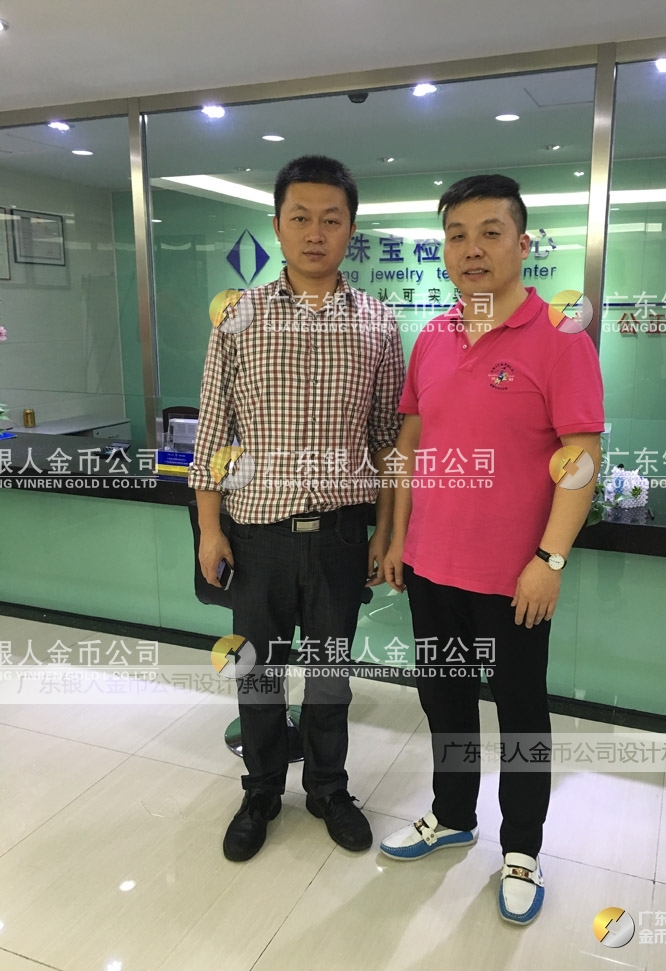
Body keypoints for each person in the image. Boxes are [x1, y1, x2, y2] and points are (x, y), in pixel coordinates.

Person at [381, 174, 604, 924]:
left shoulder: (559, 339)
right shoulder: (433, 337)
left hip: (515, 579)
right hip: (431, 567)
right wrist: (398, 538)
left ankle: (523, 849)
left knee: (521, 714)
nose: (472, 249)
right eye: (457, 235)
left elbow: (581, 456)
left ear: (522, 243)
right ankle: (452, 814)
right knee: (443, 698)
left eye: (490, 232)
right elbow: (412, 442)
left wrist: (551, 559)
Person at [189, 155, 405, 861]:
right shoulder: (237, 318)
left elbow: (386, 441)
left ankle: (328, 789)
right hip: (258, 534)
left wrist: (385, 532)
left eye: (331, 220)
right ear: (278, 225)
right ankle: (260, 792)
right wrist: (210, 529)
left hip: (341, 533)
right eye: (301, 218)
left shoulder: (378, 322)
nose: (316, 233)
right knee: (258, 673)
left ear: (350, 229)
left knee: (331, 677)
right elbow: (212, 434)